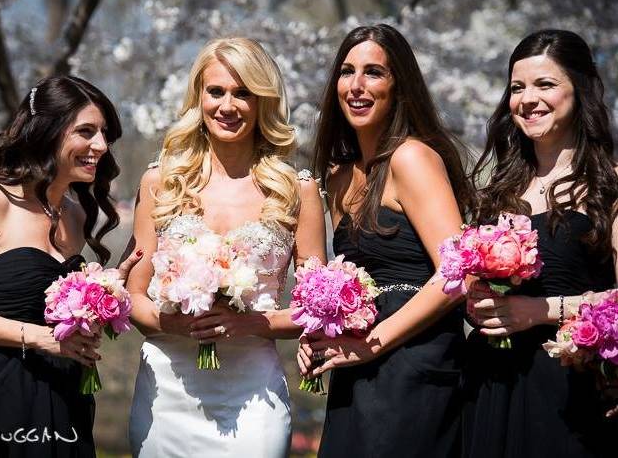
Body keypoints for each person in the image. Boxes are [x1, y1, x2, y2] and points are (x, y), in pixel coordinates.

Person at [126, 37, 326, 457]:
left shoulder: (296, 190)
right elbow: (135, 296)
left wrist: (251, 323)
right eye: (216, 91)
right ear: (199, 96)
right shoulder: (161, 182)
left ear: (263, 103)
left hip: (254, 396)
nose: (228, 106)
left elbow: (318, 309)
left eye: (244, 93)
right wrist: (173, 324)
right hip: (167, 394)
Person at [0, 75, 139, 458]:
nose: (100, 145)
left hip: (67, 399)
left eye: (104, 135)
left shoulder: (77, 216)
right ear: (48, 131)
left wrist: (105, 298)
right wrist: (41, 337)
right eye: (86, 131)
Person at [298, 24, 473, 458]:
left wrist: (370, 344)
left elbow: (459, 273)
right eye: (346, 72)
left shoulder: (412, 157)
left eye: (373, 72)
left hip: (416, 366)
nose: (355, 86)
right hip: (356, 372)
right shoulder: (337, 178)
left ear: (399, 86)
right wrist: (320, 332)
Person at [463, 29, 618, 457]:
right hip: (489, 383)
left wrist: (540, 311)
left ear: (581, 90)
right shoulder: (498, 190)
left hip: (566, 393)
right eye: (517, 88)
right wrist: (475, 296)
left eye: (545, 84)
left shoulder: (609, 188)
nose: (528, 99)